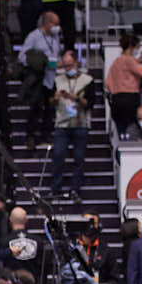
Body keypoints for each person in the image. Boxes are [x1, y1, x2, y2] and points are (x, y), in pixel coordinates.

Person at [48, 49, 93, 201]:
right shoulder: (57, 80)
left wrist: (76, 98)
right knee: (58, 155)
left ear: (76, 63)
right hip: (62, 123)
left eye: (70, 65)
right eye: (65, 66)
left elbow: (91, 103)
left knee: (78, 158)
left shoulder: (87, 80)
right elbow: (49, 103)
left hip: (81, 123)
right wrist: (55, 98)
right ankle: (56, 189)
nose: (68, 69)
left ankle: (75, 189)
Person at [19, 10, 62, 150]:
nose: (57, 27)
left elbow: (56, 55)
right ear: (47, 23)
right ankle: (30, 136)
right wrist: (38, 62)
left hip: (51, 78)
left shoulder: (55, 38)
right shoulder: (34, 36)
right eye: (55, 24)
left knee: (50, 107)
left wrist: (56, 63)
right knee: (35, 107)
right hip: (38, 78)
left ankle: (46, 134)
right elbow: (22, 56)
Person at [5, 205, 42, 280]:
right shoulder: (38, 240)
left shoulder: (4, 241)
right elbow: (42, 265)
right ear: (26, 220)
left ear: (10, 219)